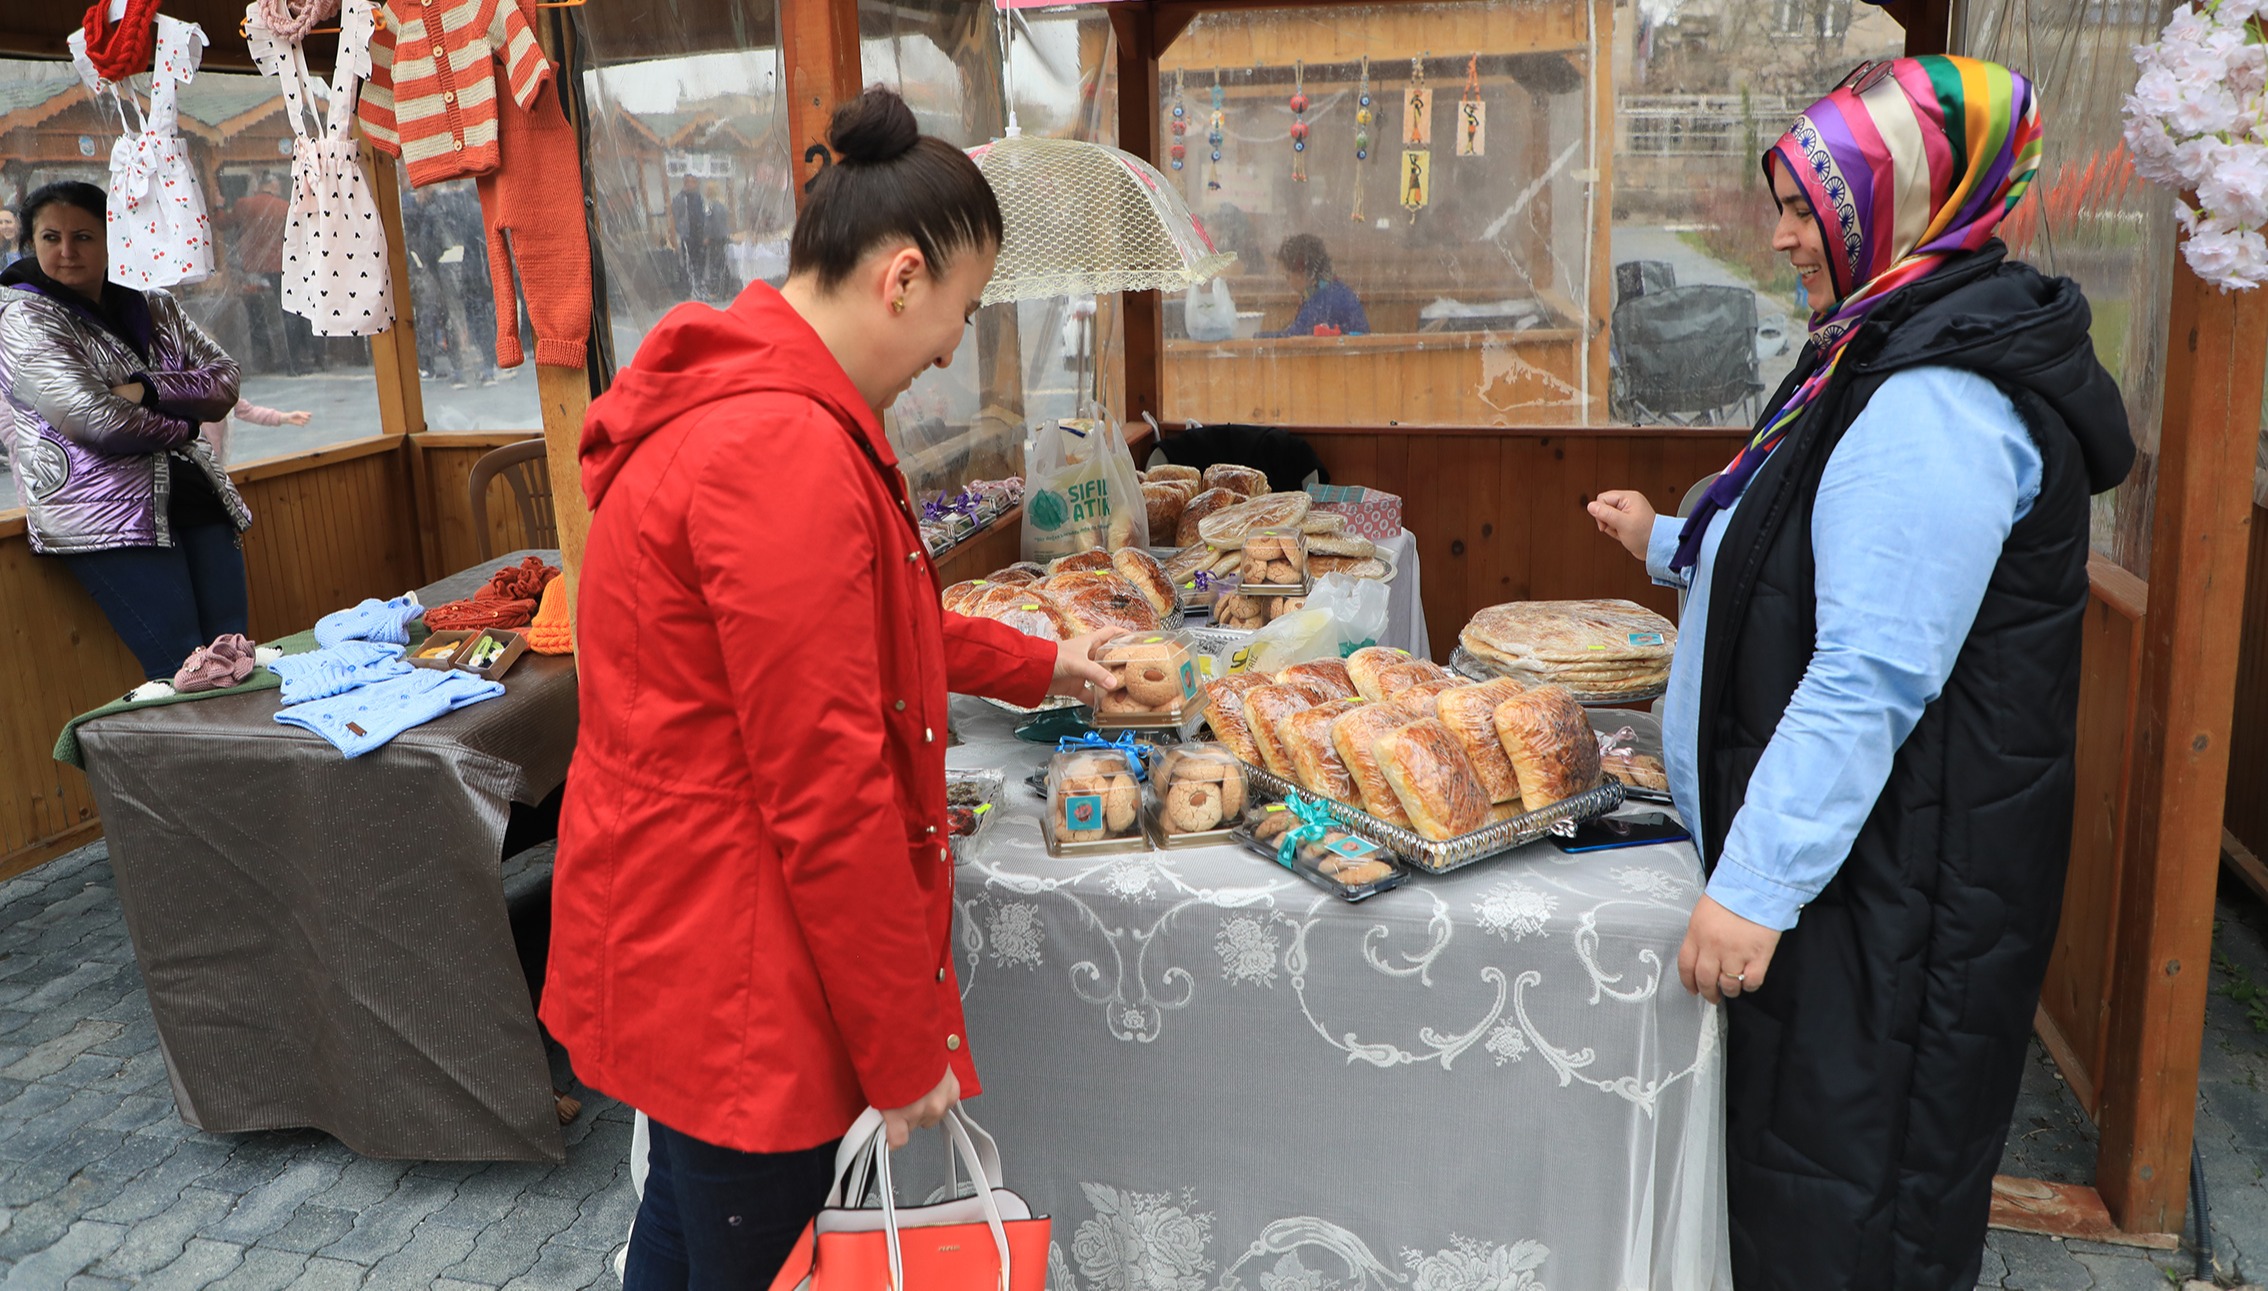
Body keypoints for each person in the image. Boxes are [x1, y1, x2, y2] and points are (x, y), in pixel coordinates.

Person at [541, 86, 1122, 1291]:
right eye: (959, 316)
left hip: (687, 932)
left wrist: (1046, 662)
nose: (948, 353)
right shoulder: (780, 448)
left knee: (686, 1232)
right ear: (901, 277)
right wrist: (903, 1043)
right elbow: (825, 782)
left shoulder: (755, 406)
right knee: (747, 1246)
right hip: (737, 964)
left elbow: (875, 627)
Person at [1584, 57, 2132, 1290]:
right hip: (1870, 874)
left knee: (1846, 1206)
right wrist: (1667, 543)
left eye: (1803, 207)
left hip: (1895, 895)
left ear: (1898, 205)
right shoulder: (1880, 344)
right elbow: (1796, 542)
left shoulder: (1936, 394)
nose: (1781, 236)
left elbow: (1868, 670)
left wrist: (1754, 884)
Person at [0, 181, 252, 684]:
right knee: (181, 670)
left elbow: (225, 380)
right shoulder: (20, 315)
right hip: (105, 515)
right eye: (51, 237)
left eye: (84, 237)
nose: (67, 251)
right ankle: (192, 764)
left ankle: (248, 762)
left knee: (236, 656)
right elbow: (94, 419)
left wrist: (144, 390)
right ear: (31, 243)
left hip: (194, 496)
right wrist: (186, 420)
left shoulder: (152, 303)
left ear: (112, 236)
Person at [228, 173, 297, 374]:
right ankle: (296, 360)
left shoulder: (244, 204)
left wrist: (216, 206)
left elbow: (222, 222)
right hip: (282, 266)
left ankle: (264, 359)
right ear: (274, 186)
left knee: (257, 314)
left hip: (252, 269)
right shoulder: (284, 206)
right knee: (289, 313)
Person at [1260, 233, 1368, 336]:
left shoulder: (1324, 300)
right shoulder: (1329, 288)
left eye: (1287, 276)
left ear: (1304, 272)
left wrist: (1254, 338)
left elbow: (1293, 338)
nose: (1287, 282)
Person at [670, 174, 710, 300]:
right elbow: (675, 217)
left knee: (700, 263)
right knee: (687, 263)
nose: (690, 184)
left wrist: (706, 234)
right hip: (686, 235)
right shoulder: (680, 198)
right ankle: (689, 290)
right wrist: (677, 233)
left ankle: (700, 288)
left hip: (699, 235)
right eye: (688, 181)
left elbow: (705, 217)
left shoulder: (700, 197)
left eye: (693, 181)